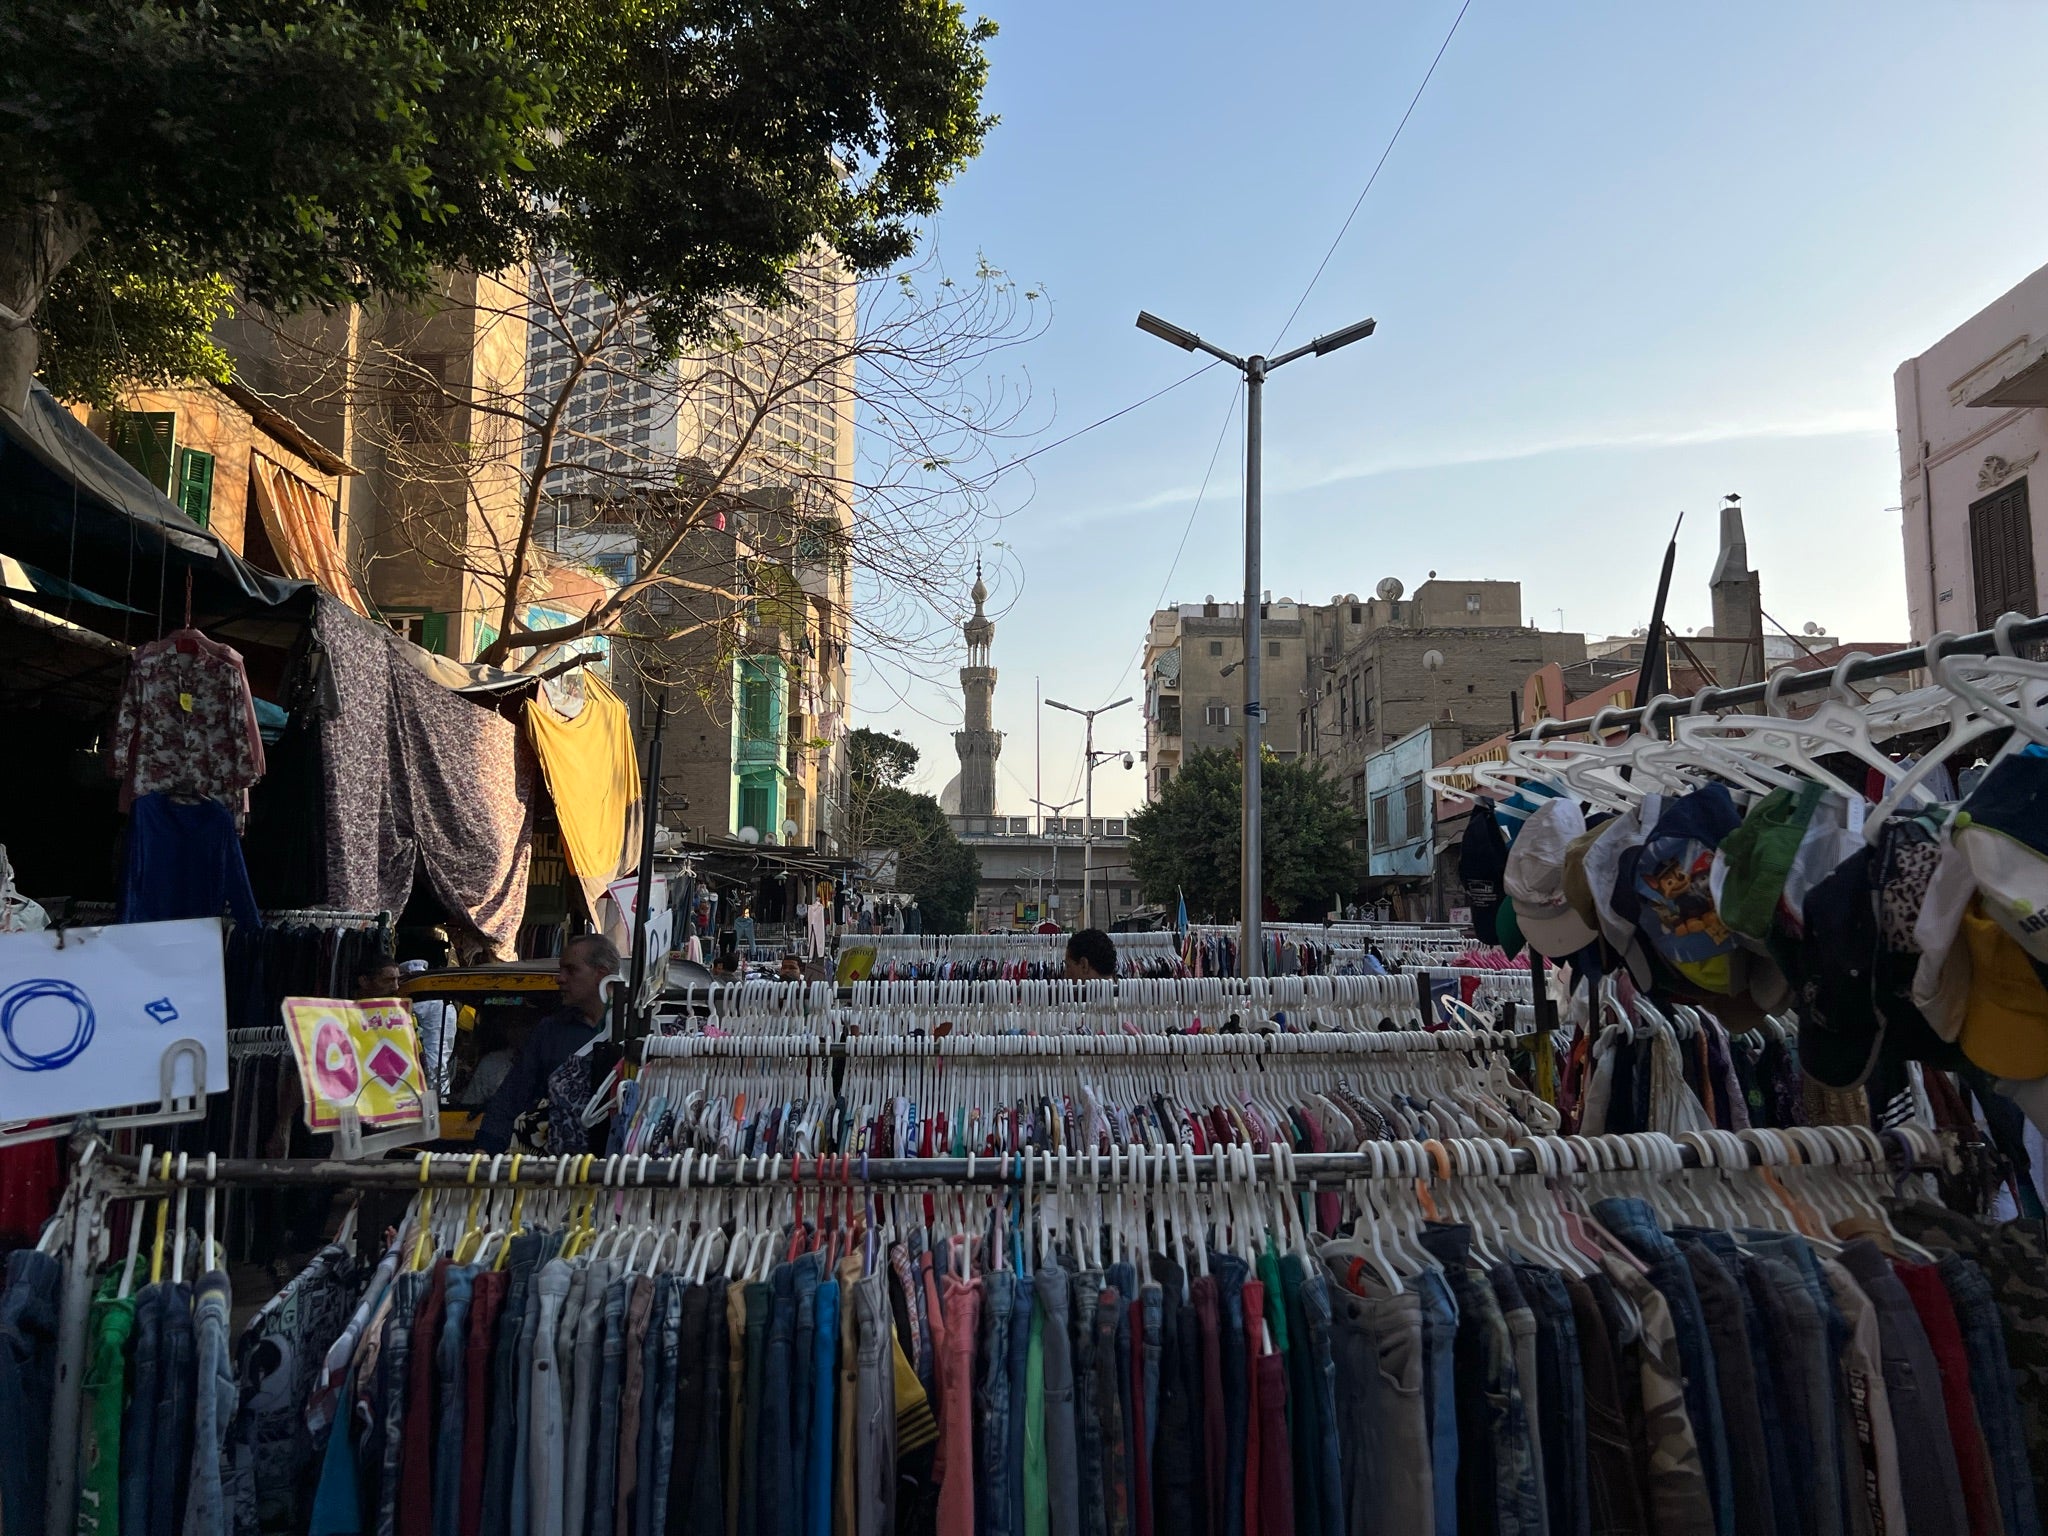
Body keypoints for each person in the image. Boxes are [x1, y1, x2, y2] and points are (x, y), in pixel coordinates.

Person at [475, 933, 619, 1153]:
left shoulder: (633, 1031)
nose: (559, 978)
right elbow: (514, 1094)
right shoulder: (550, 1031)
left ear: (601, 975)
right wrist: (485, 1149)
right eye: (561, 970)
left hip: (620, 1172)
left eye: (571, 970)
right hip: (557, 1174)